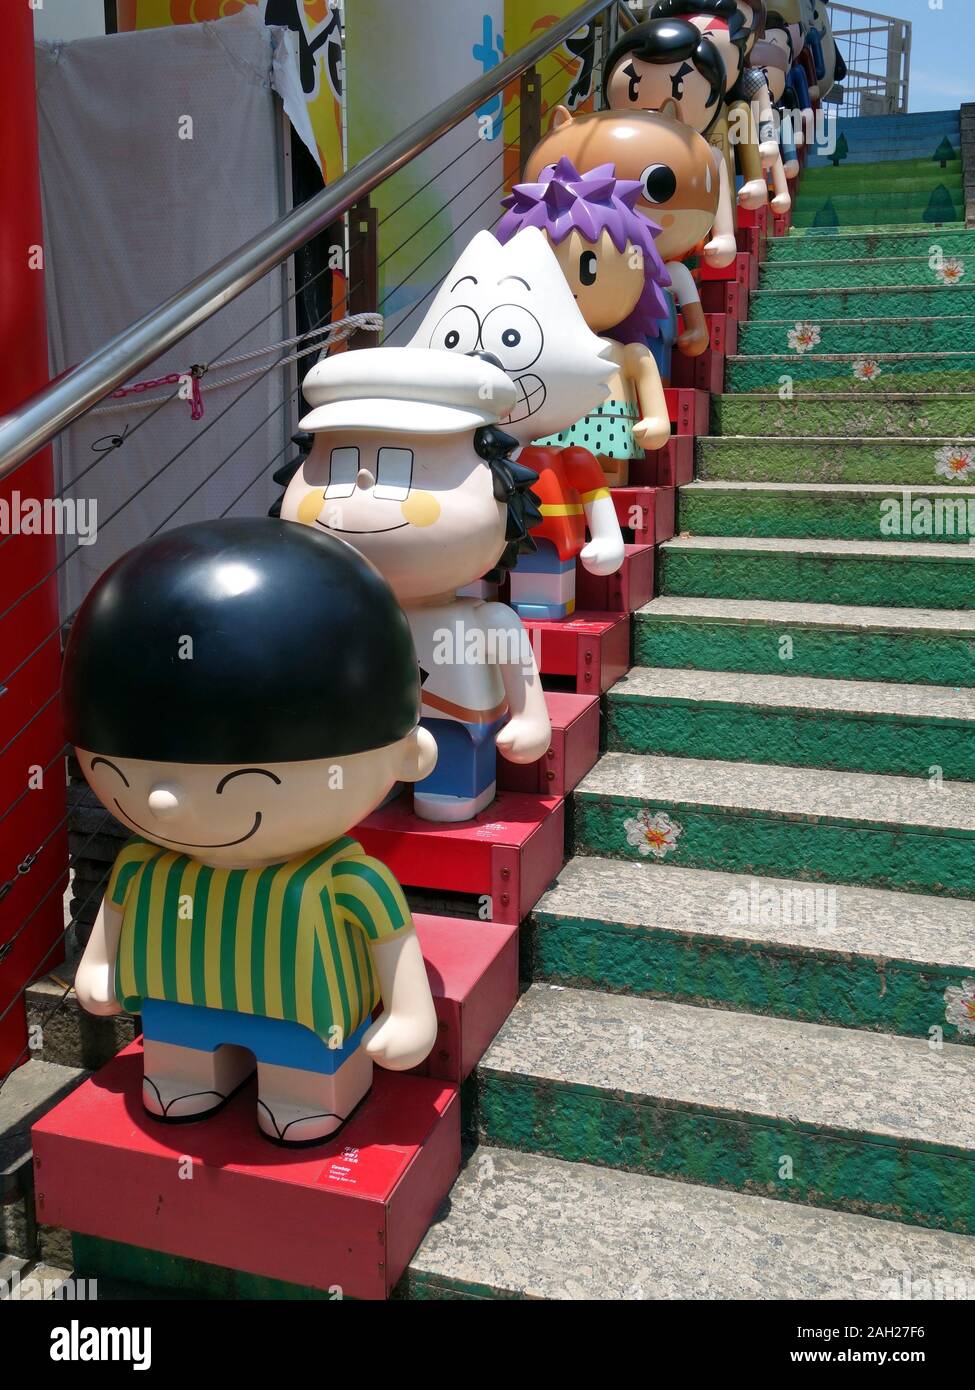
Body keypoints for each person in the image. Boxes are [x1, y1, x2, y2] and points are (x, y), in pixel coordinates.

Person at [65, 518, 439, 1144]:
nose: (161, 801)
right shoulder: (144, 865)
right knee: (182, 1047)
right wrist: (98, 967)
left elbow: (389, 940)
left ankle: (303, 1088)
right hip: (179, 997)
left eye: (237, 779)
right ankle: (185, 1072)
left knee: (299, 1071)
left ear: (408, 754)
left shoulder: (347, 879)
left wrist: (408, 1012)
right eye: (122, 774)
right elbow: (118, 911)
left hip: (305, 1020)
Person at [281, 342, 554, 820]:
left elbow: (517, 666)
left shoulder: (486, 619)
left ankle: (450, 794)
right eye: (339, 465)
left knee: (445, 790)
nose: (363, 482)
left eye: (400, 467)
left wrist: (531, 717)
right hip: (359, 730)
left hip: (453, 718)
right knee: (353, 779)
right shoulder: (335, 616)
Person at [497, 157, 672, 488]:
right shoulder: (529, 350)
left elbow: (652, 400)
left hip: (607, 445)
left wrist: (656, 421)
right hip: (543, 445)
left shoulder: (629, 353)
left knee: (602, 470)